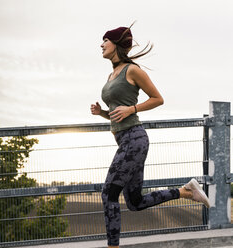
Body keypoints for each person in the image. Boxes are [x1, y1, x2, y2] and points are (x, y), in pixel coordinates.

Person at [90, 24, 210, 248]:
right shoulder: (111, 74)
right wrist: (103, 113)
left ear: (116, 44)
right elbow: (119, 114)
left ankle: (112, 246)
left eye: (105, 40)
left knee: (109, 193)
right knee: (135, 202)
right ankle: (186, 192)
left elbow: (157, 98)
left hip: (134, 140)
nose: (101, 44)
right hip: (124, 139)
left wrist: (132, 109)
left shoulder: (132, 70)